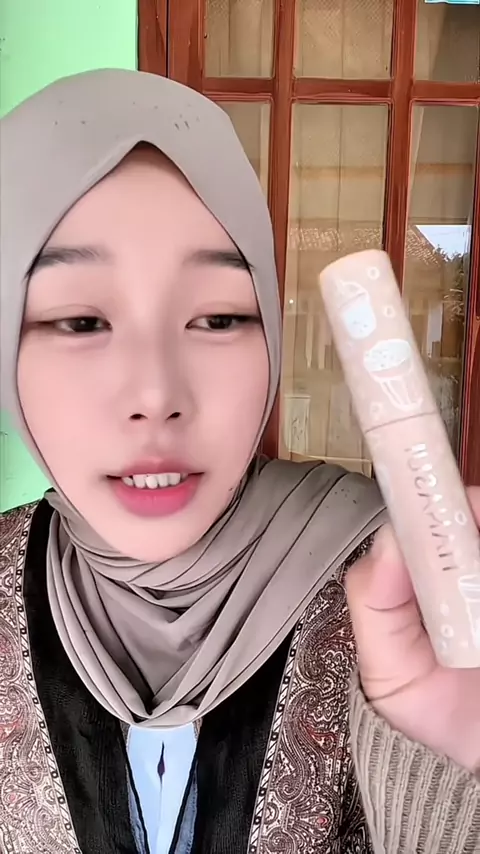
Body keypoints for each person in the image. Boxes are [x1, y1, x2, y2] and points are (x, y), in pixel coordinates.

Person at [0, 69, 478, 854]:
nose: (156, 395)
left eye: (219, 317)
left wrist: (459, 764)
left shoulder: (402, 583)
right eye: (81, 321)